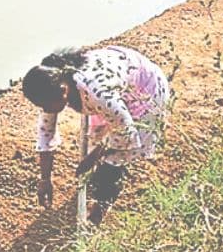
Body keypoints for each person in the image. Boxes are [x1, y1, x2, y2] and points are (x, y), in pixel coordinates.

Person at [22, 46, 170, 225]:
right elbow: (46, 131)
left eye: (47, 105)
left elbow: (125, 129)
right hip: (115, 85)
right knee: (99, 137)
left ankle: (100, 208)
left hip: (145, 90)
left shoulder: (98, 93)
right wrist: (45, 179)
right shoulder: (55, 80)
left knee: (116, 158)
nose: (46, 110)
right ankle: (98, 180)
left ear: (63, 91)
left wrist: (94, 157)